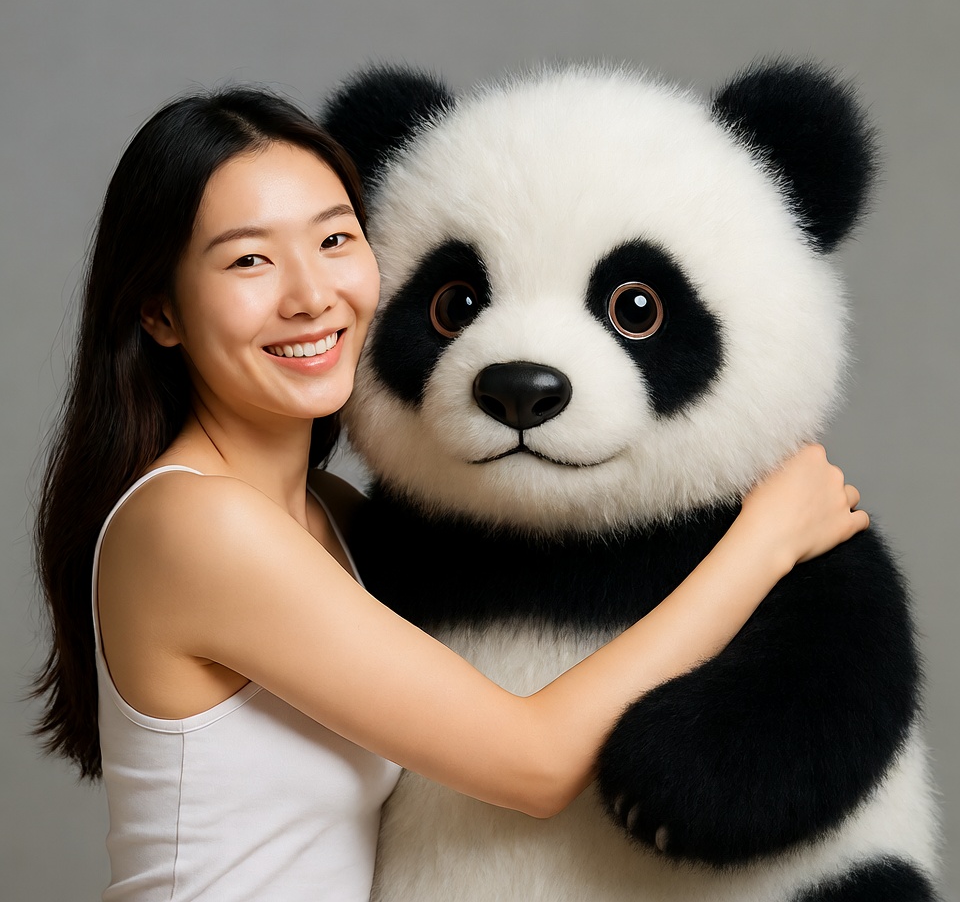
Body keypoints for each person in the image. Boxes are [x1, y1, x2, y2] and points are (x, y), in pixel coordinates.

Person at [32, 87, 870, 902]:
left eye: (333, 240)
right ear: (159, 312)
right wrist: (763, 543)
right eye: (249, 259)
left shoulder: (324, 511)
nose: (310, 296)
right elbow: (532, 762)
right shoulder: (200, 525)